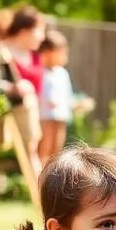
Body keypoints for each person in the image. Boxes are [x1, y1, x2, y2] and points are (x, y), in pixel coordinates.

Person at [0, 4, 46, 180]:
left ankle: (40, 196)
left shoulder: (34, 55)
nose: (42, 36)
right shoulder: (2, 51)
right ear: (25, 30)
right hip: (3, 109)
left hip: (25, 110)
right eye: (38, 31)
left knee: (31, 153)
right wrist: (11, 88)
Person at [38, 29, 92, 165]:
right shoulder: (41, 71)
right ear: (47, 53)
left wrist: (77, 103)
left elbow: (67, 95)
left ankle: (53, 174)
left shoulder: (62, 73)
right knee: (44, 147)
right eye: (60, 53)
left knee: (56, 150)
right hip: (45, 116)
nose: (64, 56)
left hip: (60, 116)